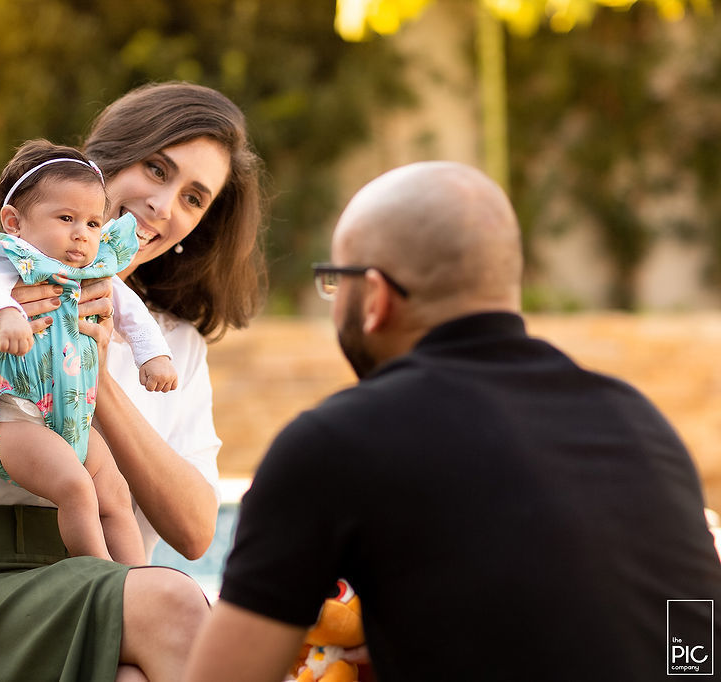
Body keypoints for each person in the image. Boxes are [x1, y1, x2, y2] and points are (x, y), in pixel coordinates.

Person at [185, 161, 721, 682]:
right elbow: (696, 650)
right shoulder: (643, 426)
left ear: (374, 297)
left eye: (335, 281)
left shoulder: (335, 444)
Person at [0, 81, 266, 682]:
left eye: (193, 198)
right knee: (172, 603)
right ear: (106, 160)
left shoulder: (168, 345)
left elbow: (193, 532)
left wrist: (99, 376)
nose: (164, 204)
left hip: (102, 591)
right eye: (156, 168)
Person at [0, 140, 177, 564]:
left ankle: (140, 583)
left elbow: (131, 314)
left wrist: (154, 356)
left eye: (94, 224)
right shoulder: (10, 263)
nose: (82, 233)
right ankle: (100, 578)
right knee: (77, 489)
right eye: (66, 218)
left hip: (75, 415)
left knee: (114, 492)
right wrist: (6, 315)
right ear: (14, 222)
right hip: (16, 419)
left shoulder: (93, 275)